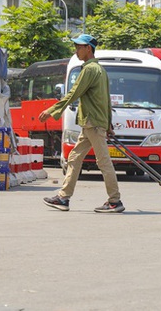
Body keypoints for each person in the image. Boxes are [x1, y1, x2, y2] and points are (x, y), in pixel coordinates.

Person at [39, 34, 124, 213]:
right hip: (92, 123)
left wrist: (51, 110)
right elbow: (106, 101)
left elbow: (73, 94)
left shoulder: (90, 70)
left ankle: (115, 201)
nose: (77, 50)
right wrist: (108, 125)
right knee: (74, 158)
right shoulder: (100, 70)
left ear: (89, 49)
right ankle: (63, 197)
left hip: (93, 123)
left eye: (79, 47)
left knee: (103, 162)